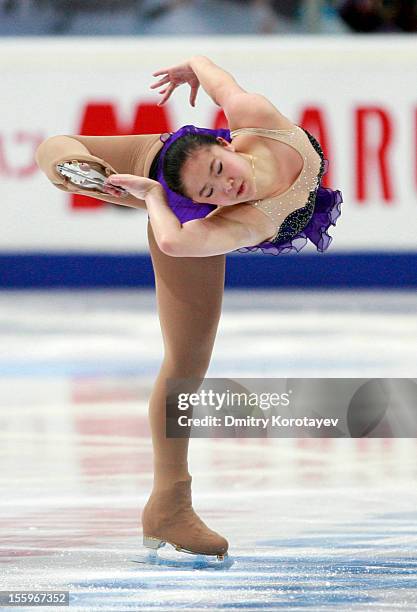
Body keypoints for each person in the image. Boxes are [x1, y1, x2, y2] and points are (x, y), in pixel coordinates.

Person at [35, 55, 342, 560]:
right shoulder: (246, 217)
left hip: (177, 156)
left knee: (188, 363)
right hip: (176, 211)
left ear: (227, 141)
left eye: (223, 170)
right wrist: (157, 197)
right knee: (185, 366)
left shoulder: (255, 115)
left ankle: (95, 173)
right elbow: (177, 243)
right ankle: (170, 506)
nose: (228, 188)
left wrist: (192, 70)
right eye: (212, 191)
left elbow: (215, 73)